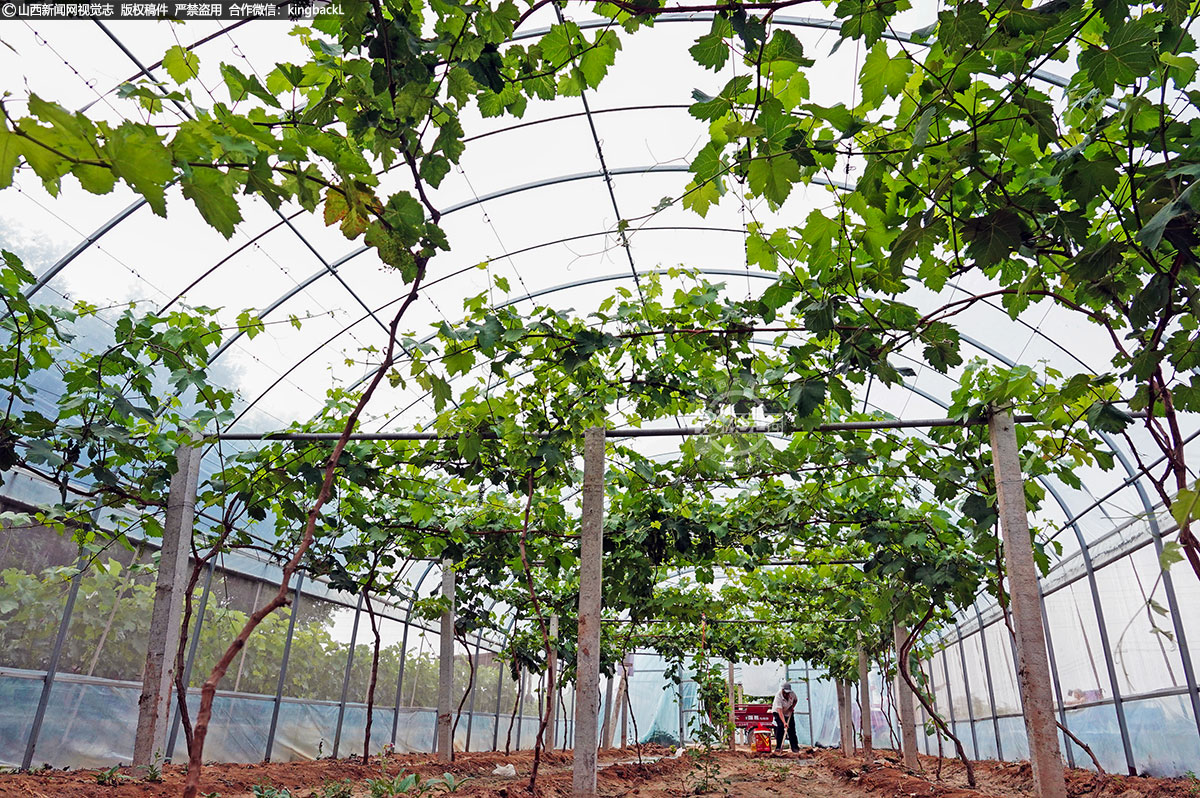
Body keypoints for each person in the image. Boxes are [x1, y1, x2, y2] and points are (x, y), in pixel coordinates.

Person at [771, 682, 800, 752]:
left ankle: (794, 747)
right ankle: (778, 747)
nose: (787, 694)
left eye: (788, 693)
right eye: (786, 693)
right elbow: (780, 711)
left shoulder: (792, 694)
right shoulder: (778, 697)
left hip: (788, 711)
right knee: (780, 727)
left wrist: (792, 707)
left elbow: (796, 700)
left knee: (792, 729)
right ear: (783, 690)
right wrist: (784, 723)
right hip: (778, 713)